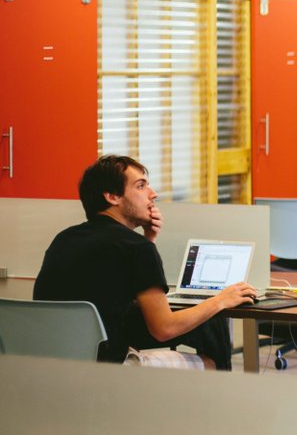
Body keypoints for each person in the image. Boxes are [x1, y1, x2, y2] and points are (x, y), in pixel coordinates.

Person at [34, 155, 258, 369]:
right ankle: (220, 390)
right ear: (112, 197)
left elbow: (110, 293)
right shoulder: (137, 248)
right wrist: (221, 300)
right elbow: (164, 328)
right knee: (212, 339)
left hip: (53, 361)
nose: (153, 194)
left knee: (204, 324)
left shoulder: (64, 239)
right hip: (108, 368)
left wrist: (148, 239)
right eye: (141, 186)